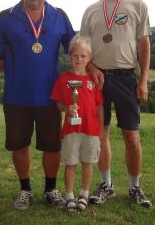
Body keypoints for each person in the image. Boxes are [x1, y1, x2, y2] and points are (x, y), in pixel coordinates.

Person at [0, 0, 75, 210]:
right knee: (19, 145)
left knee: (52, 146)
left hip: (50, 98)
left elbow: (76, 50)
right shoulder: (6, 17)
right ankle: (25, 189)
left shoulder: (59, 16)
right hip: (16, 97)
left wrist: (92, 69)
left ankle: (51, 189)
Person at [80, 0, 152, 208]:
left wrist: (143, 80)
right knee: (101, 136)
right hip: (97, 79)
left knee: (131, 136)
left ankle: (135, 188)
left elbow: (144, 44)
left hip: (125, 77)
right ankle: (106, 185)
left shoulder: (136, 5)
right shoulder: (90, 10)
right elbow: (83, 48)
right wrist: (90, 67)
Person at [51, 35, 103, 213]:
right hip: (71, 129)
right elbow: (58, 104)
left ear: (89, 59)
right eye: (75, 56)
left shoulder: (93, 81)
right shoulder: (63, 79)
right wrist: (67, 108)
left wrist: (101, 129)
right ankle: (70, 196)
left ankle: (84, 194)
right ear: (69, 57)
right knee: (70, 163)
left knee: (88, 163)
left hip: (91, 130)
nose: (78, 59)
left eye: (83, 56)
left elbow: (98, 106)